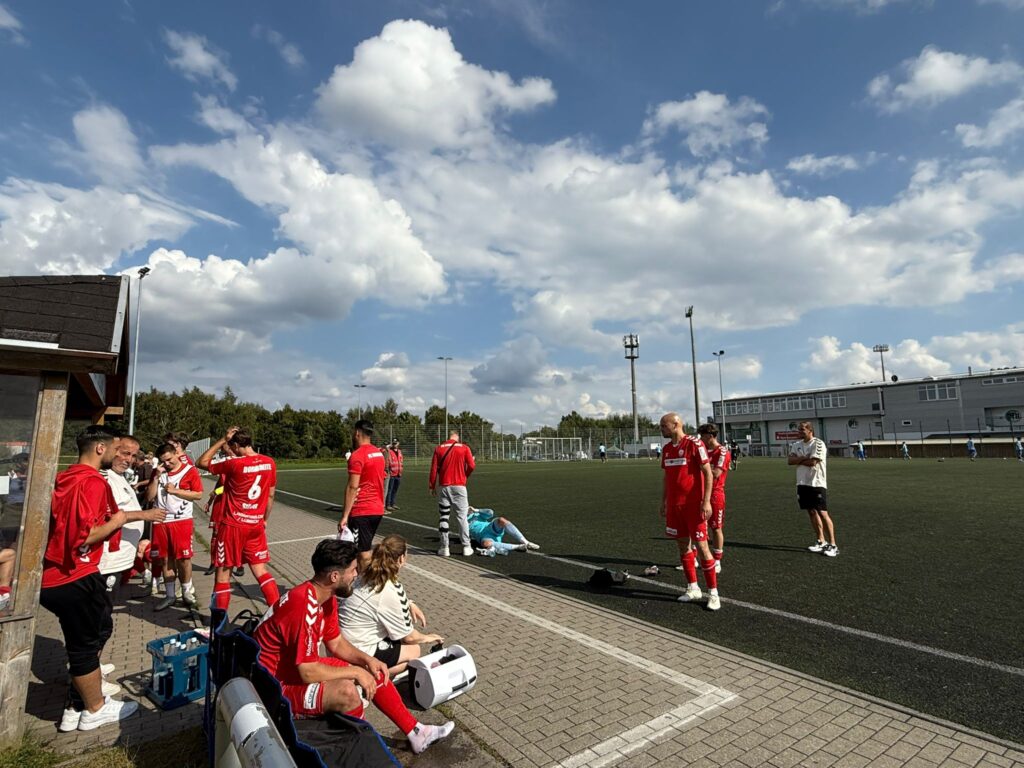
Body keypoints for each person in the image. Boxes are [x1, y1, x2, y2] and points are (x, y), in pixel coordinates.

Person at [254, 539, 454, 754]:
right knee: (347, 693)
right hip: (271, 688)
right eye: (353, 570)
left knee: (374, 670)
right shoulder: (304, 606)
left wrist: (367, 661)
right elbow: (307, 671)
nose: (357, 575)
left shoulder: (324, 596)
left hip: (290, 671)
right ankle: (365, 752)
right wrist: (356, 672)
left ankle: (417, 732)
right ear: (334, 576)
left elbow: (336, 643)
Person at [39, 426, 138, 732]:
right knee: (86, 645)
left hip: (53, 575)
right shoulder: (93, 482)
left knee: (87, 638)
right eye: (115, 449)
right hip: (76, 576)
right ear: (100, 448)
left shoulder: (65, 476)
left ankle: (76, 708)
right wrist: (118, 520)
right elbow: (83, 536)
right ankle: (94, 708)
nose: (117, 454)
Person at [98, 435, 165, 689]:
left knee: (102, 621)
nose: (129, 459)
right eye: (124, 453)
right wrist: (145, 515)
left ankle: (92, 667)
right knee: (99, 623)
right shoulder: (103, 478)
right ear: (110, 449)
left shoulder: (117, 477)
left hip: (118, 560)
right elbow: (110, 516)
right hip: (107, 562)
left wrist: (136, 540)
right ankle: (87, 685)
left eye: (133, 455)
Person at [198, 426, 280, 612]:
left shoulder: (234, 464)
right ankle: (277, 615)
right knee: (260, 571)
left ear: (235, 445)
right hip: (256, 524)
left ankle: (219, 622)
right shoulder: (269, 462)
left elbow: (201, 462)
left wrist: (222, 439)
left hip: (232, 526)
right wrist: (264, 519)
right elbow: (270, 495)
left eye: (231, 446)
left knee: (223, 573)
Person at [340, 535, 442, 677]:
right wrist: (428, 637)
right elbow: (409, 638)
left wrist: (409, 603)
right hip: (358, 649)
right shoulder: (391, 589)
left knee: (394, 635)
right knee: (414, 650)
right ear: (401, 559)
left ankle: (360, 672)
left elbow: (382, 601)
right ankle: (362, 677)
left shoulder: (366, 573)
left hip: (341, 643)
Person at [659, 412, 720, 611]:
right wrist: (664, 501)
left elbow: (708, 473)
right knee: (683, 546)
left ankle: (713, 593)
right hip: (675, 507)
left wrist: (706, 501)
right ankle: (693, 587)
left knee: (702, 547)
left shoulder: (694, 444)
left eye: (664, 425)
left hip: (694, 506)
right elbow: (667, 478)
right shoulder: (667, 449)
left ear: (676, 424)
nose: (661, 429)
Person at [146, 443, 204, 610]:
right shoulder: (159, 472)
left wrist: (176, 491)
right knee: (165, 559)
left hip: (181, 520)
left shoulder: (189, 471)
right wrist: (156, 477)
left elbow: (198, 494)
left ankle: (186, 591)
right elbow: (149, 497)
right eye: (163, 461)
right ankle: (170, 595)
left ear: (176, 454)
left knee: (184, 558)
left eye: (169, 459)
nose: (167, 464)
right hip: (161, 520)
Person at [338, 420, 387, 572]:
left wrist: (345, 516)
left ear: (357, 433)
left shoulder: (357, 455)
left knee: (362, 553)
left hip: (362, 510)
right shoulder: (379, 454)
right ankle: (363, 580)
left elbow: (353, 486)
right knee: (365, 548)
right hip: (377, 509)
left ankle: (367, 583)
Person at [789, 421, 838, 557]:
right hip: (802, 482)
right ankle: (821, 541)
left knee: (822, 513)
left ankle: (833, 545)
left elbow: (813, 462)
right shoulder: (796, 445)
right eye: (799, 429)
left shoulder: (818, 443)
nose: (799, 432)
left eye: (802, 429)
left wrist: (798, 459)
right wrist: (803, 458)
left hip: (816, 483)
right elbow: (790, 461)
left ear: (810, 430)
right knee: (811, 512)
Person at [429, 430, 476, 558]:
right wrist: (465, 476)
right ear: (457, 437)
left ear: (449, 436)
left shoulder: (439, 448)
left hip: (443, 486)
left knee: (444, 516)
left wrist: (432, 485)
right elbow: (472, 465)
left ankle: (444, 547)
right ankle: (466, 547)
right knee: (462, 517)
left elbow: (433, 469)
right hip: (459, 486)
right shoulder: (464, 448)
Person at [697, 424, 729, 573]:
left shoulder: (722, 451)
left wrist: (701, 466)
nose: (700, 439)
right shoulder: (702, 450)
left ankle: (717, 560)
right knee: (696, 526)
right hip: (698, 493)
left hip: (715, 494)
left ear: (710, 436)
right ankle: (695, 557)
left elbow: (716, 473)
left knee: (716, 527)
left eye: (702, 436)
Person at [467, 507, 540, 555]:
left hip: (489, 528)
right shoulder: (463, 521)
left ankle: (527, 542)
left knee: (501, 520)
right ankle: (518, 547)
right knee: (486, 544)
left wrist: (477, 510)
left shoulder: (476, 514)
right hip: (484, 537)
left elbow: (490, 512)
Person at [385, 440, 404, 512]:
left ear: (398, 443)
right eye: (393, 443)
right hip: (392, 474)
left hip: (398, 474)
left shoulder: (399, 452)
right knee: (390, 490)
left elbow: (401, 461)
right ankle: (388, 505)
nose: (395, 444)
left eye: (396, 443)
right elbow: (388, 461)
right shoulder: (389, 451)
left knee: (395, 490)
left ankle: (393, 503)